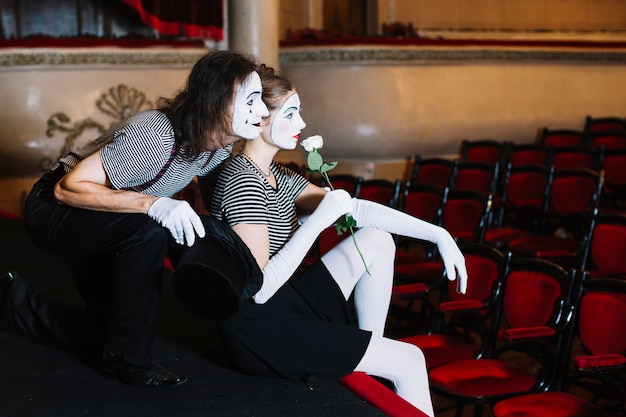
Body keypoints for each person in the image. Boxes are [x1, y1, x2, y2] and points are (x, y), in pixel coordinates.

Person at [207, 65, 467, 416]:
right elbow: (260, 289)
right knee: (410, 359)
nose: (301, 124)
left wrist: (439, 234)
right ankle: (377, 360)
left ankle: (368, 355)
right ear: (261, 120)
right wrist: (317, 224)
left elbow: (358, 211)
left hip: (285, 304)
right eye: (291, 114)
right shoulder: (243, 181)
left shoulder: (276, 174)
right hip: (260, 330)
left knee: (377, 238)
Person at [0, 51, 269, 388]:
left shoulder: (217, 146)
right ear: (214, 102)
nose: (262, 111)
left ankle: (11, 299)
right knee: (151, 230)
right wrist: (154, 205)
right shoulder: (155, 135)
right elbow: (67, 189)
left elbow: (223, 211)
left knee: (106, 331)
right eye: (252, 100)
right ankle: (130, 362)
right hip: (57, 210)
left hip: (113, 220)